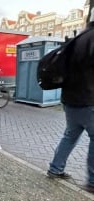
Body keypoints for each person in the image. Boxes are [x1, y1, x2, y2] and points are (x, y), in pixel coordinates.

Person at [47, 9, 94, 193]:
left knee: (70, 135)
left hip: (70, 99)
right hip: (88, 99)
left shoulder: (78, 39)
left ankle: (55, 168)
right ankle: (92, 180)